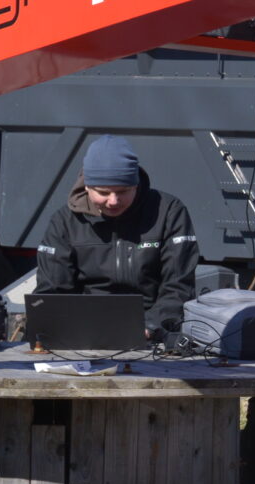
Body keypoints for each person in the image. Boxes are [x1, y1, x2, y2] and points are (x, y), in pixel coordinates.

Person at [34, 134, 201, 338]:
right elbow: (53, 291)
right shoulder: (64, 221)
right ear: (87, 186)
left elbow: (179, 284)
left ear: (136, 184)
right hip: (84, 332)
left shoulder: (168, 211)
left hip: (152, 333)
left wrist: (150, 326)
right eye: (103, 193)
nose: (113, 201)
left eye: (123, 191)